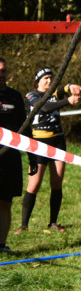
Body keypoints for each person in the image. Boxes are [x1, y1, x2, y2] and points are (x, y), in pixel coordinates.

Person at [16, 67, 81, 234]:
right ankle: (24, 225)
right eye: (45, 78)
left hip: (58, 141)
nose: (49, 81)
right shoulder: (31, 95)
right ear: (37, 80)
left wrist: (70, 87)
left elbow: (61, 91)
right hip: (38, 143)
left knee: (56, 182)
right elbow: (44, 107)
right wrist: (68, 101)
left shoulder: (54, 94)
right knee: (34, 184)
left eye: (51, 78)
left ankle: (53, 222)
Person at [0, 58, 32, 255]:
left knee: (5, 202)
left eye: (3, 70)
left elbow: (24, 127)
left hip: (10, 158)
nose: (1, 74)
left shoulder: (15, 97)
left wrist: (33, 157)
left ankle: (1, 245)